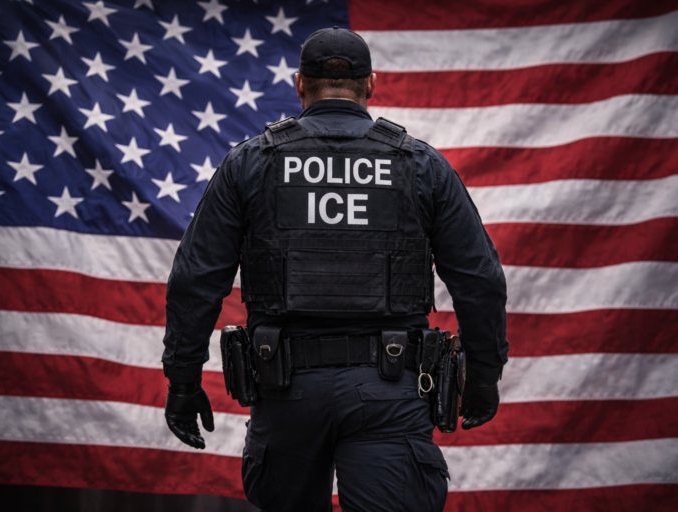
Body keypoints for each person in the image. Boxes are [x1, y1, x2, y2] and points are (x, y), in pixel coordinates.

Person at [161, 27, 508, 512]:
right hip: (389, 390)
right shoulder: (420, 165)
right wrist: (485, 374)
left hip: (285, 391)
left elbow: (196, 279)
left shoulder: (250, 163)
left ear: (300, 85)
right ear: (371, 85)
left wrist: (182, 378)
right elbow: (480, 279)